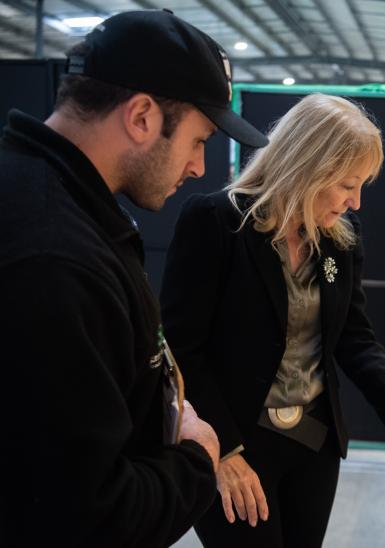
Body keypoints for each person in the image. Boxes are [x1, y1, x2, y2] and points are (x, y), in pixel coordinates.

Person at [160, 93, 385, 547]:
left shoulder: (338, 240)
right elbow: (181, 348)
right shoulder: (216, 221)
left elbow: (355, 339)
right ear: (308, 166)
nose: (356, 202)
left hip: (313, 443)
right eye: (348, 184)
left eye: (362, 185)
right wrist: (223, 451)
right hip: (235, 442)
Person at [0, 10, 269, 547]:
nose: (198, 167)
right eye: (198, 140)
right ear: (143, 116)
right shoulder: (53, 259)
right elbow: (90, 516)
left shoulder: (56, 202)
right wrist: (197, 455)